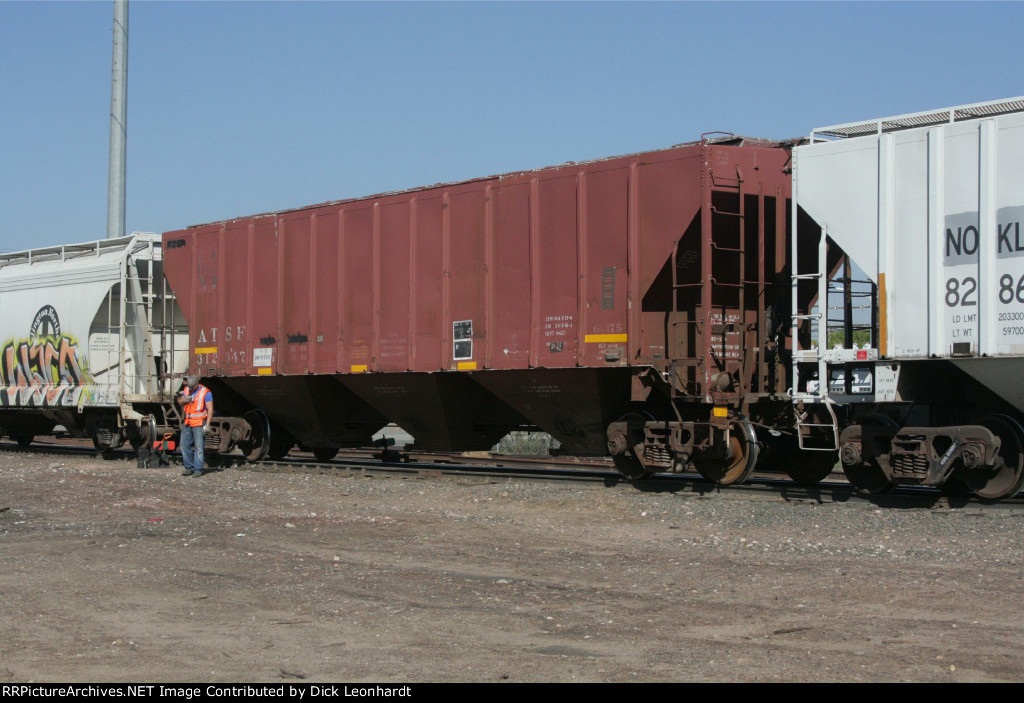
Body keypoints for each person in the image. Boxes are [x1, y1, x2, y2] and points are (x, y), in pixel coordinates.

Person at [178, 374, 213, 477]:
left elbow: (210, 409)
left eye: (192, 387)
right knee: (184, 444)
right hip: (188, 421)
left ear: (197, 384)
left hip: (198, 423)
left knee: (198, 447)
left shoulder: (206, 393)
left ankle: (198, 469)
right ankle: (188, 467)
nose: (191, 389)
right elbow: (180, 402)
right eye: (189, 387)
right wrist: (183, 401)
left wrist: (207, 424)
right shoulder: (186, 390)